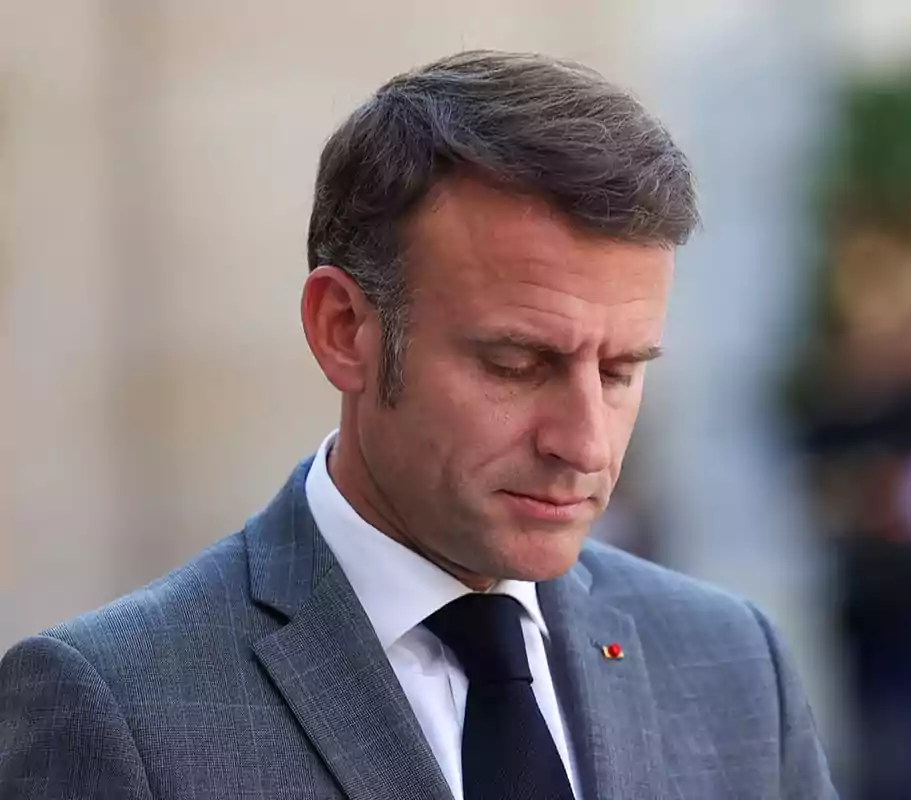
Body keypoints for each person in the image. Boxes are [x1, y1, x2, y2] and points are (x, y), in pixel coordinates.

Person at [0, 51, 836, 800]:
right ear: (343, 330)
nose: (584, 444)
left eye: (620, 372)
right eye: (516, 364)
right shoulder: (115, 708)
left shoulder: (732, 664)